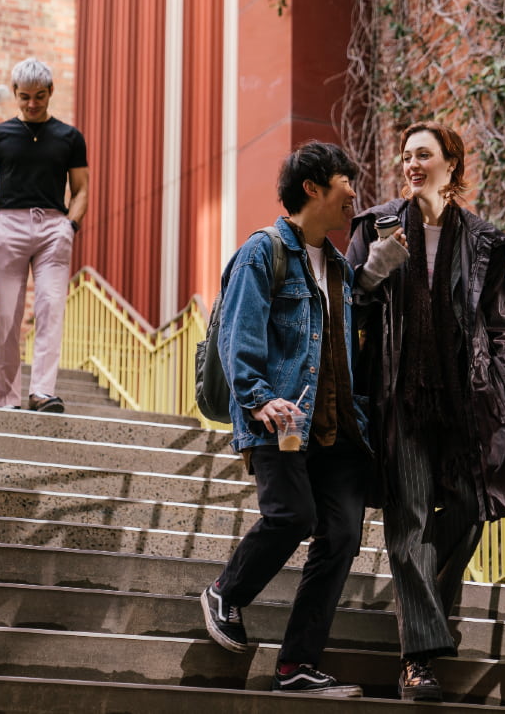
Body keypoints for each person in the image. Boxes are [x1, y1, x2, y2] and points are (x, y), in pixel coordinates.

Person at [344, 121, 505, 702]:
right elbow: (347, 305)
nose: (412, 164)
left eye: (423, 154)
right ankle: (419, 658)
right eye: (406, 156)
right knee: (411, 520)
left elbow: (498, 325)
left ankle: (425, 620)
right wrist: (374, 269)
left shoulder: (483, 241)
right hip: (398, 396)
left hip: (465, 398)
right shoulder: (376, 225)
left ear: (451, 164)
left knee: (471, 511)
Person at [199, 141, 373, 697]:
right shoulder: (263, 251)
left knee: (341, 535)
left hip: (336, 426)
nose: (354, 193)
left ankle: (297, 664)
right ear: (313, 187)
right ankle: (225, 593)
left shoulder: (340, 268)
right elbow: (237, 333)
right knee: (292, 515)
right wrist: (258, 398)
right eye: (346, 180)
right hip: (281, 418)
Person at [0, 58, 89, 412]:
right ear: (14, 93)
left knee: (51, 307)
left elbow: (81, 189)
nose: (32, 103)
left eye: (40, 96)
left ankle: (42, 392)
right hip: (8, 226)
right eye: (25, 96)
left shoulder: (70, 137)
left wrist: (70, 226)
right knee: (8, 316)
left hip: (54, 228)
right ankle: (7, 400)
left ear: (51, 91)